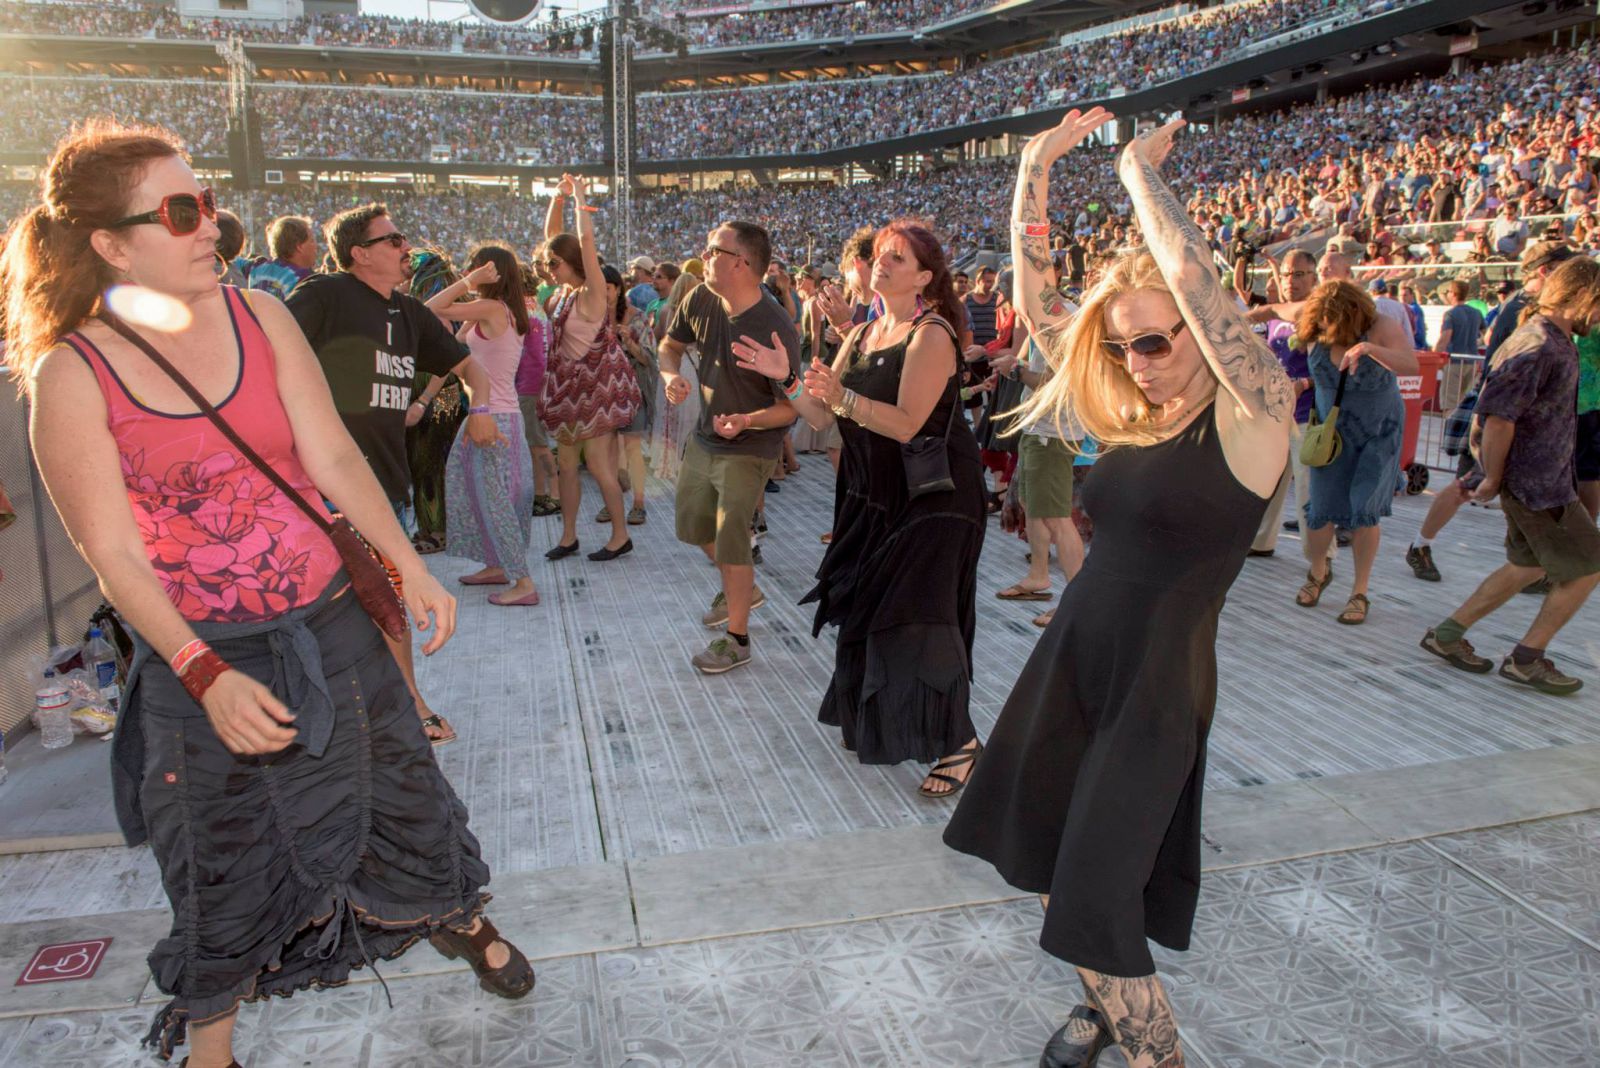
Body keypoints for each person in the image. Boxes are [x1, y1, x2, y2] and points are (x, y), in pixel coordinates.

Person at [3, 120, 533, 1068]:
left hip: (329, 622)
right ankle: (213, 1046)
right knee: (219, 850)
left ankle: (455, 918)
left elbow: (328, 453)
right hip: (204, 652)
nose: (211, 225)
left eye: (206, 203)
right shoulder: (70, 374)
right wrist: (203, 671)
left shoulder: (262, 316)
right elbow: (112, 552)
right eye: (180, 212)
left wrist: (406, 566)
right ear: (111, 244)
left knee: (404, 794)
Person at [944, 111, 1291, 1068]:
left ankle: (1156, 1054)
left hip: (1158, 684)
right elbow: (1040, 302)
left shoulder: (1255, 414)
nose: (1137, 361)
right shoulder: (1132, 410)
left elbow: (1190, 280)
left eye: (1157, 343)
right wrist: (1031, 169)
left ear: (1207, 334)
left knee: (1096, 886)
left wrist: (1141, 178)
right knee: (1060, 865)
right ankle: (1098, 1005)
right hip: (1076, 660)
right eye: (1124, 347)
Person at [734, 217, 986, 796]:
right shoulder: (862, 334)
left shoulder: (932, 334)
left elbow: (906, 424)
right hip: (874, 495)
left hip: (935, 497)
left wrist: (842, 396)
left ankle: (960, 742)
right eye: (880, 255)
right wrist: (790, 382)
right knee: (873, 608)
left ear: (924, 275)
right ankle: (897, 721)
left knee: (920, 613)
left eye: (898, 258)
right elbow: (824, 419)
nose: (883, 263)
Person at [287, 204, 501, 748]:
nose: (407, 247)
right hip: (319, 493)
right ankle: (400, 707)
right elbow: (270, 360)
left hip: (386, 488)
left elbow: (470, 366)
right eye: (393, 239)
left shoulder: (408, 313)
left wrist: (480, 409)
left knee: (386, 604)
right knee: (331, 611)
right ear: (359, 253)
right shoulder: (323, 297)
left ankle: (401, 704)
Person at [1421, 256, 1600, 694]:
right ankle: (1527, 658)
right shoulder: (1540, 344)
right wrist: (1493, 477)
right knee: (1589, 565)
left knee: (1526, 565)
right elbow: (1497, 418)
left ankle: (1446, 635)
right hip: (1539, 486)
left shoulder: (1548, 338)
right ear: (1580, 297)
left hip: (1540, 480)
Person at [658, 220, 800, 674]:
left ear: (740, 263)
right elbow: (669, 345)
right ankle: (742, 587)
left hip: (751, 447)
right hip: (704, 439)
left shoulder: (775, 324)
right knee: (692, 526)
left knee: (732, 539)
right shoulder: (700, 296)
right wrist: (669, 375)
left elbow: (790, 409)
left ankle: (737, 639)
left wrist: (745, 421)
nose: (704, 254)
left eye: (713, 248)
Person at [1404, 242, 1577, 582]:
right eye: (1566, 271)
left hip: (1512, 412)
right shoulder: (1525, 308)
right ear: (1546, 271)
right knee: (1467, 484)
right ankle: (1420, 545)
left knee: (1488, 486)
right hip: (1500, 410)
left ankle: (1529, 566)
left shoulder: (1530, 305)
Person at [1293, 281, 1417, 625]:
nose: (1326, 324)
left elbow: (1410, 365)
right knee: (1320, 511)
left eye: (1333, 317)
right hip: (1331, 438)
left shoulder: (1380, 327)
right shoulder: (1314, 325)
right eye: (1321, 318)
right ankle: (1319, 571)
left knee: (1365, 511)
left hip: (1378, 433)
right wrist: (1304, 384)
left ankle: (1359, 592)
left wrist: (1369, 348)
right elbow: (1270, 311)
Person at [427, 243, 540, 607]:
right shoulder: (491, 313)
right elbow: (449, 344)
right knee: (477, 493)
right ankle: (496, 564)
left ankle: (523, 582)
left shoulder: (493, 308)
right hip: (492, 414)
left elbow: (430, 309)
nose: (470, 272)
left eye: (476, 268)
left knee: (495, 501)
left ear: (492, 272)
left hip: (493, 417)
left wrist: (467, 281)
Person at [539, 174, 640, 563]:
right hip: (569, 391)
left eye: (555, 264)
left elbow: (584, 243)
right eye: (548, 263)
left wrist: (581, 201)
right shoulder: (563, 293)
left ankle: (619, 535)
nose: (549, 269)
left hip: (597, 392)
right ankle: (568, 537)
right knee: (566, 467)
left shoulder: (592, 291)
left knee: (599, 466)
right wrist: (558, 199)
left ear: (573, 264)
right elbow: (554, 236)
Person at [403, 248, 467, 560]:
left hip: (437, 399)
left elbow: (444, 361)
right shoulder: (440, 307)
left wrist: (424, 399)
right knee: (432, 468)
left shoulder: (435, 313)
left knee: (429, 468)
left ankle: (436, 531)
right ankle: (436, 528)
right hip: (440, 399)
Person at [605, 262, 656, 526]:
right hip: (603, 393)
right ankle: (611, 501)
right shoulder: (593, 317)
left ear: (618, 289)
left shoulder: (636, 317)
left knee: (632, 448)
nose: (603, 294)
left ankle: (638, 504)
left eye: (608, 288)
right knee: (608, 449)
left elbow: (649, 358)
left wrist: (629, 342)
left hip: (633, 391)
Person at [1434, 279, 1485, 410]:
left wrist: (1434, 357)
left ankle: (1449, 429)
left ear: (1453, 293)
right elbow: (1485, 333)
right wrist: (1476, 341)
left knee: (1450, 401)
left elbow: (1445, 338)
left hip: (1455, 361)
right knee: (1465, 402)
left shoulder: (1451, 314)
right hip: (1472, 360)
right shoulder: (1476, 313)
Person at [247, 214, 316, 302]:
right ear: (299, 246)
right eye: (312, 241)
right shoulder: (306, 280)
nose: (315, 246)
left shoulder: (256, 267)